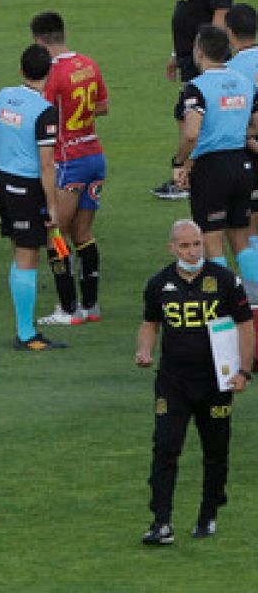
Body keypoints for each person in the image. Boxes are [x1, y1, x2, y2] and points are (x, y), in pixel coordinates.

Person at [136, 219, 253, 545]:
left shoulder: (226, 281)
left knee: (215, 450)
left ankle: (209, 512)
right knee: (165, 446)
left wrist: (243, 372)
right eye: (184, 246)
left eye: (197, 244)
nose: (192, 251)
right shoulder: (158, 283)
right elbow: (150, 323)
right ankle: (161, 522)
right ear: (172, 248)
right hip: (173, 381)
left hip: (216, 381)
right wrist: (144, 351)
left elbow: (245, 326)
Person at [0, 45, 63, 351]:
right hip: (27, 187)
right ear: (50, 73)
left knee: (20, 250)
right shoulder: (45, 111)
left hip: (3, 183)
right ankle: (25, 333)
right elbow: (47, 165)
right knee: (27, 255)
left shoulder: (4, 95)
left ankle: (25, 328)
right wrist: (52, 205)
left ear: (21, 70)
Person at [30, 11, 109, 327]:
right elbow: (102, 106)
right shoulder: (88, 64)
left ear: (38, 40)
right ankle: (91, 306)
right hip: (94, 155)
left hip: (67, 161)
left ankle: (67, 309)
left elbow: (43, 113)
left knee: (55, 233)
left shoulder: (53, 74)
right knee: (83, 233)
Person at [153, 0, 232, 200]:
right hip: (192, 57)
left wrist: (211, 57)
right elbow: (191, 15)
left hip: (204, 60)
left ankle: (186, 177)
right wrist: (178, 53)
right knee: (186, 115)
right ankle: (188, 174)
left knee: (191, 117)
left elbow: (220, 14)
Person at [169, 24, 257, 270]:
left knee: (212, 242)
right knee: (241, 239)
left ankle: (221, 305)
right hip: (243, 165)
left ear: (199, 52)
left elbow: (191, 134)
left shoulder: (195, 88)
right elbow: (256, 125)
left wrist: (178, 162)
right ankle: (255, 301)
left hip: (211, 170)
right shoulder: (244, 83)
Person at [225, 3, 258, 305]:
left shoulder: (231, 70)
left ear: (230, 33)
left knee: (247, 227)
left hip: (249, 151)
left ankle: (254, 292)